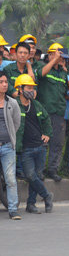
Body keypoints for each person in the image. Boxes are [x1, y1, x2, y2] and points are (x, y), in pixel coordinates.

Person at [15, 74, 54, 215]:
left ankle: (31, 204)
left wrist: (48, 134)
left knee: (37, 175)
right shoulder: (14, 105)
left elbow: (47, 120)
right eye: (28, 87)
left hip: (40, 146)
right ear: (20, 89)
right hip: (25, 148)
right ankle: (47, 195)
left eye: (33, 88)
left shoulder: (36, 105)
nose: (31, 90)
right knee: (30, 175)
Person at [37, 45, 68, 181]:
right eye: (53, 55)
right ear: (49, 56)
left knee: (57, 143)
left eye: (59, 56)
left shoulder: (63, 73)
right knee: (43, 143)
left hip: (59, 113)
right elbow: (41, 74)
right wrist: (53, 61)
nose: (57, 58)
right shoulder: (43, 68)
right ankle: (40, 170)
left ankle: (53, 170)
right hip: (45, 112)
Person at [0, 71, 22, 219]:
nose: (4, 84)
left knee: (10, 178)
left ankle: (13, 209)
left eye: (6, 82)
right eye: (1, 82)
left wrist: (9, 137)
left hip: (7, 146)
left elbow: (16, 123)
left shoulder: (12, 102)